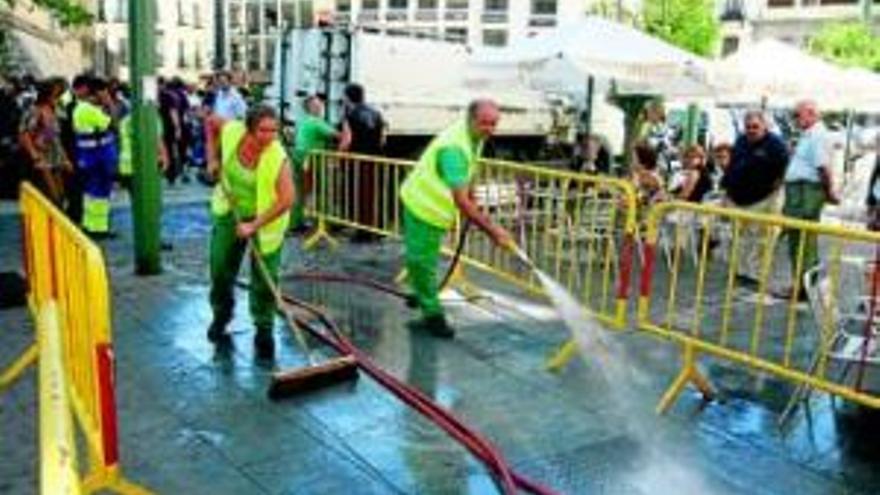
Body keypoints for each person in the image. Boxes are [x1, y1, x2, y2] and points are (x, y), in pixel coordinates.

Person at [399, 99, 514, 338]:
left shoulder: (473, 137)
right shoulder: (454, 147)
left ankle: (420, 293)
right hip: (423, 206)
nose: (489, 129)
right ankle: (432, 315)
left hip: (433, 206)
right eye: (484, 123)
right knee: (423, 262)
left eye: (494, 124)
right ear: (471, 119)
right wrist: (493, 231)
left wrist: (473, 196)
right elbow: (461, 201)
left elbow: (468, 174)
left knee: (421, 259)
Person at [205, 105, 295, 361]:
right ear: (249, 129)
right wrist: (212, 158)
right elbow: (210, 123)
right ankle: (221, 315)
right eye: (263, 131)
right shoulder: (233, 131)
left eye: (274, 131)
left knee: (266, 278)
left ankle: (264, 329)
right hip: (230, 211)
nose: (269, 136)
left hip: (267, 220)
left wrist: (253, 225)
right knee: (220, 268)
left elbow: (287, 198)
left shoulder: (278, 156)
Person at [721, 111, 789, 285]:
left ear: (764, 126)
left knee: (762, 241)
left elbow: (785, 171)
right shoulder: (741, 140)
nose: (751, 130)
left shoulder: (776, 145)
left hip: (765, 199)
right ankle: (741, 271)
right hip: (739, 200)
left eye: (755, 126)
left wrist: (774, 195)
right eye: (748, 127)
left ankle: (757, 275)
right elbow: (732, 167)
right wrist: (727, 192)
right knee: (740, 238)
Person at [782, 100, 838, 299]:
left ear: (812, 114)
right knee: (799, 240)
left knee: (802, 241)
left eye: (797, 115)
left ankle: (803, 288)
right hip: (800, 191)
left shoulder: (817, 135)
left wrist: (829, 191)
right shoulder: (810, 134)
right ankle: (803, 286)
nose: (795, 119)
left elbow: (823, 167)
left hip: (805, 192)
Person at [290, 95, 346, 231]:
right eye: (317, 105)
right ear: (310, 108)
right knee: (323, 189)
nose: (320, 107)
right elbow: (336, 135)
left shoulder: (302, 120)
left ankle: (296, 223)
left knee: (299, 191)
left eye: (320, 105)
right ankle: (327, 221)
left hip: (298, 156)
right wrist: (346, 132)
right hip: (312, 158)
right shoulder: (316, 121)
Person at [73, 77, 118, 238]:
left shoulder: (81, 108)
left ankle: (90, 225)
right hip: (98, 157)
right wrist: (109, 103)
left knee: (91, 193)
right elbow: (113, 123)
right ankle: (99, 228)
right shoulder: (88, 110)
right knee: (100, 193)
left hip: (89, 156)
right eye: (104, 93)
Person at [340, 83, 386, 242]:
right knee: (375, 194)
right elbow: (382, 139)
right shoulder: (376, 113)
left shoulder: (350, 115)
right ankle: (379, 229)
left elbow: (347, 141)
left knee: (358, 195)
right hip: (376, 159)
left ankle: (363, 232)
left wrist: (339, 156)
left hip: (358, 161)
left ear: (347, 97)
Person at [19, 78, 70, 205]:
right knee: (53, 197)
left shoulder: (54, 110)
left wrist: (65, 159)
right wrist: (35, 156)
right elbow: (24, 134)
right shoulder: (35, 110)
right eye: (56, 94)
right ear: (47, 94)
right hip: (43, 159)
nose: (58, 97)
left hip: (56, 158)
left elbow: (56, 138)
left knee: (61, 196)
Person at [59, 74, 90, 222]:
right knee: (73, 186)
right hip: (70, 148)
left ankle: (75, 215)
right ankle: (74, 217)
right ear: (82, 88)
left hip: (72, 148)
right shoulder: (67, 102)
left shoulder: (67, 99)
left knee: (74, 186)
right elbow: (68, 128)